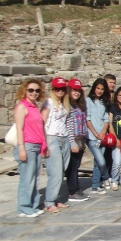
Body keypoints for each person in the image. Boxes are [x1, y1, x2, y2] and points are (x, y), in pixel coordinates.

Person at [13, 78, 48, 217]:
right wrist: (21, 148)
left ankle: (32, 205)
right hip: (27, 145)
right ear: (25, 91)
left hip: (36, 146)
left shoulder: (34, 107)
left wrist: (43, 145)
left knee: (35, 178)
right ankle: (24, 206)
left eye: (37, 90)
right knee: (27, 179)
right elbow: (19, 129)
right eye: (31, 90)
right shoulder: (22, 106)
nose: (34, 93)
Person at [41, 77, 71, 213]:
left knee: (62, 170)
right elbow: (41, 122)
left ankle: (55, 198)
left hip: (64, 138)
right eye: (57, 88)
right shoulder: (48, 103)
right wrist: (44, 143)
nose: (60, 91)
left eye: (62, 89)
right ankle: (49, 201)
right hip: (52, 138)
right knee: (55, 172)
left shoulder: (64, 103)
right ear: (52, 89)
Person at [86, 78, 111, 194]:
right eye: (98, 88)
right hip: (92, 136)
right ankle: (106, 177)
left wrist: (103, 132)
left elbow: (106, 119)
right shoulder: (88, 101)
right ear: (94, 88)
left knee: (97, 162)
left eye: (102, 89)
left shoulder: (104, 102)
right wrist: (95, 133)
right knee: (101, 161)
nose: (100, 91)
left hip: (102, 136)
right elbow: (88, 118)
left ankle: (95, 185)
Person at [66, 79, 89, 201]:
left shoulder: (80, 106)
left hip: (80, 139)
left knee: (75, 166)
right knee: (72, 167)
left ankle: (75, 189)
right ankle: (73, 191)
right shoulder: (66, 105)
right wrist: (71, 142)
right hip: (71, 139)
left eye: (78, 90)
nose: (76, 92)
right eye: (74, 90)